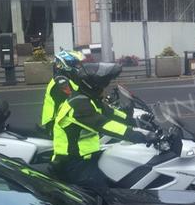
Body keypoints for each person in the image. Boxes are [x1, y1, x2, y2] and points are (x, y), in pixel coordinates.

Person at [51, 62, 156, 194]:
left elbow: (112, 114)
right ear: (93, 86)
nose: (105, 90)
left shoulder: (89, 100)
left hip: (89, 156)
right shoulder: (77, 105)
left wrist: (137, 122)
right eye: (103, 86)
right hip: (73, 163)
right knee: (105, 194)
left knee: (119, 171)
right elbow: (104, 125)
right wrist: (139, 136)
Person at [41, 50, 84, 135]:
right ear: (65, 64)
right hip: (56, 123)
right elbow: (74, 97)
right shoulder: (60, 81)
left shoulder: (68, 76)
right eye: (76, 64)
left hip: (63, 119)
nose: (79, 66)